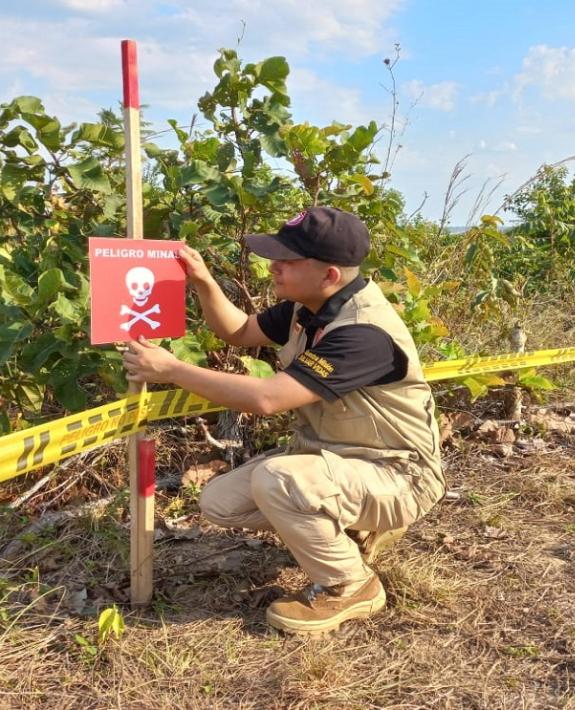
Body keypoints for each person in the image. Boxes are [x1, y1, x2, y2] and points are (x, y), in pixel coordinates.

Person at [121, 206, 445, 634]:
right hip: (340, 460)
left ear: (329, 275)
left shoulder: (363, 333)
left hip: (398, 474)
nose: (272, 267)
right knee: (219, 502)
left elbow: (266, 399)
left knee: (279, 479)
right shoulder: (307, 309)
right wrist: (203, 282)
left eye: (286, 261)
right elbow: (238, 331)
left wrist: (172, 370)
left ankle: (350, 585)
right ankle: (348, 529)